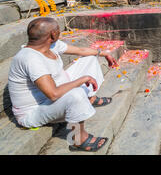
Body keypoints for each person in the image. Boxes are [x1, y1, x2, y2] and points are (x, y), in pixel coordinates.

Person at [8, 18, 119, 152]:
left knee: (89, 59)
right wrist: (82, 79)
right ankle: (78, 140)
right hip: (34, 111)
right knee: (76, 95)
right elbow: (53, 94)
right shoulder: (30, 58)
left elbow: (80, 50)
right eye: (58, 31)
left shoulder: (49, 45)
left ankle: (88, 98)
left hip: (53, 92)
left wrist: (103, 53)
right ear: (53, 35)